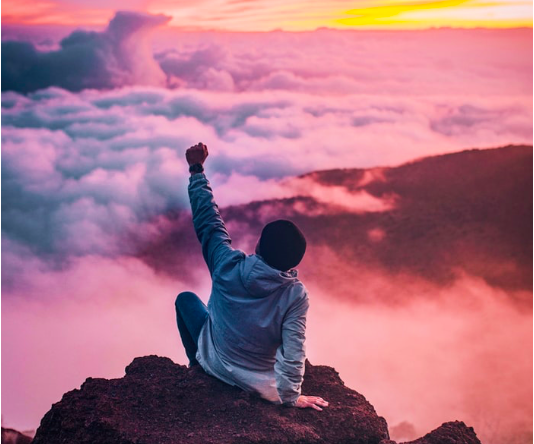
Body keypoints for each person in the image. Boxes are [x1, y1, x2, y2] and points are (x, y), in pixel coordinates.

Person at [175, 142, 328, 411]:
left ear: (259, 246)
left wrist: (196, 170)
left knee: (186, 300)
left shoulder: (226, 264)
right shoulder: (295, 295)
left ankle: (196, 364)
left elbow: (208, 222)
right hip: (259, 384)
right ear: (294, 262)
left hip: (216, 363)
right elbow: (294, 351)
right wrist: (291, 397)